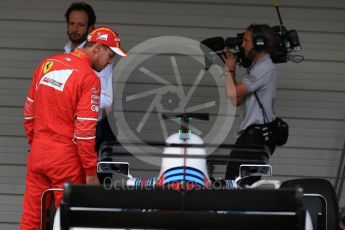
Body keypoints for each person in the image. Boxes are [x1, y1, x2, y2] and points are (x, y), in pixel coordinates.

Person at [20, 26, 127, 230]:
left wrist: (35, 143)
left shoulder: (47, 64)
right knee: (70, 220)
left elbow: (28, 112)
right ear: (97, 48)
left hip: (38, 153)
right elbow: (85, 132)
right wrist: (90, 173)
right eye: (110, 55)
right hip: (65, 159)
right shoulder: (89, 78)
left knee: (32, 218)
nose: (110, 62)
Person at [223, 24, 277, 180]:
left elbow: (231, 92)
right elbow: (236, 100)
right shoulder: (257, 67)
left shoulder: (264, 68)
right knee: (236, 182)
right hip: (250, 137)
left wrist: (230, 69)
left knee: (240, 185)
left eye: (246, 41)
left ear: (259, 43)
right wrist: (230, 69)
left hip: (255, 139)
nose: (242, 45)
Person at [64, 2, 119, 153]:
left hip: (93, 128)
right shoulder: (66, 52)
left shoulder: (98, 56)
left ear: (90, 28)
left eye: (80, 25)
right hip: (69, 128)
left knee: (93, 175)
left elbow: (107, 99)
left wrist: (75, 100)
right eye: (71, 23)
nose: (75, 29)